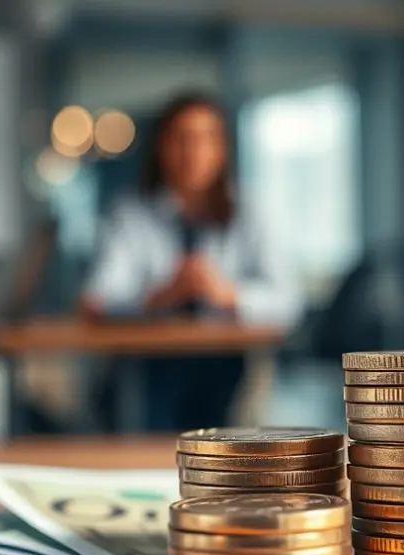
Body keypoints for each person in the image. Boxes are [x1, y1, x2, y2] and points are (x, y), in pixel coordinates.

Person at [81, 92, 301, 431]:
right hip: (151, 365)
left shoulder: (251, 211)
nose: (194, 152)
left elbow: (288, 301)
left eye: (206, 139)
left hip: (226, 363)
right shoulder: (130, 214)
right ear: (162, 147)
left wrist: (229, 295)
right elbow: (98, 299)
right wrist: (163, 295)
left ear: (223, 149)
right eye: (182, 139)